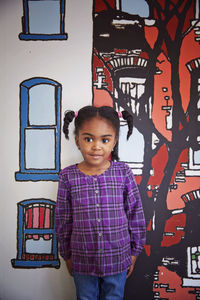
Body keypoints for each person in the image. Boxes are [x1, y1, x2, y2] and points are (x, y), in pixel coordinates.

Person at [55, 105, 146, 300]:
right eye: (88, 139)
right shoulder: (67, 176)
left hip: (118, 258)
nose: (96, 146)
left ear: (114, 142)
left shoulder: (123, 173)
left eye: (105, 140)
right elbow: (63, 219)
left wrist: (134, 252)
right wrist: (67, 255)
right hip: (82, 259)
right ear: (78, 141)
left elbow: (135, 213)